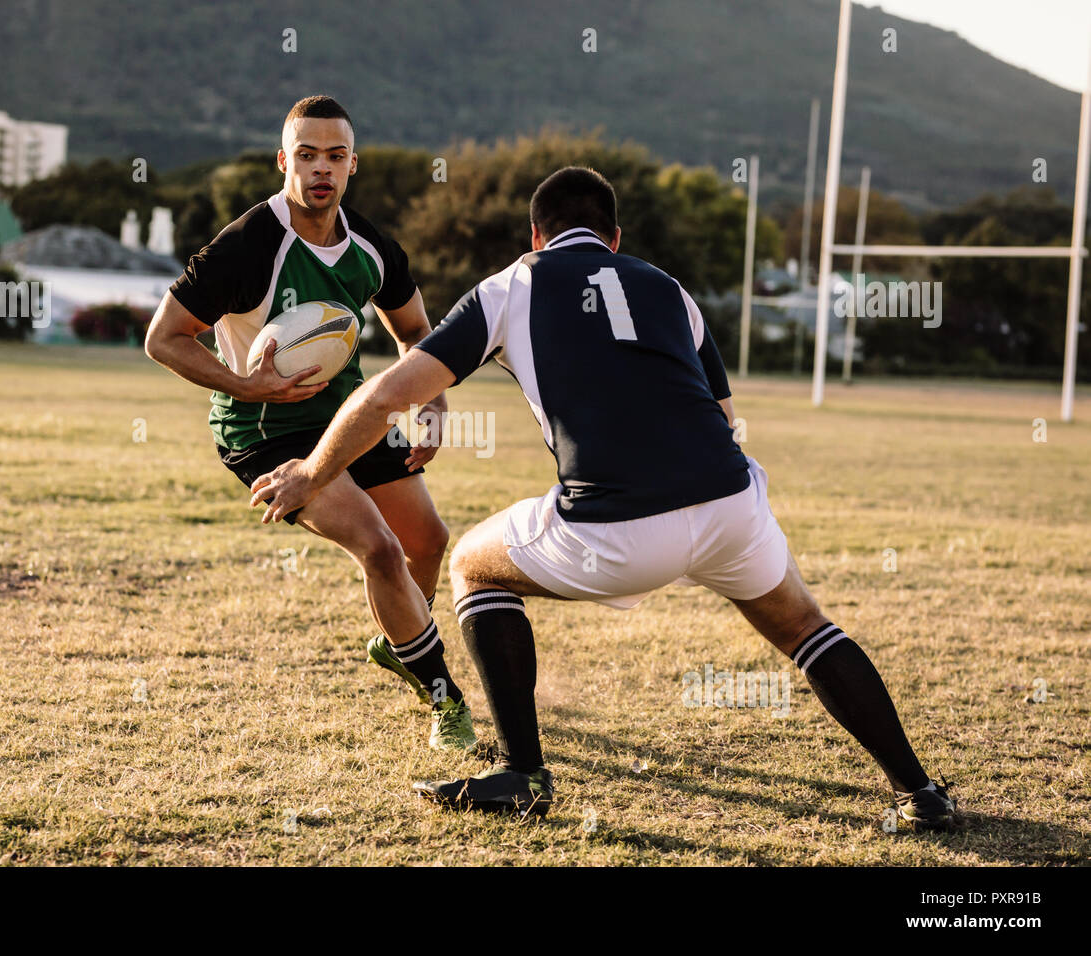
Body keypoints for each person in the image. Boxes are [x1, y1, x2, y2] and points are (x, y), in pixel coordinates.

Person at [247, 166, 962, 831]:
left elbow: (386, 392)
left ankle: (522, 774)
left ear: (536, 234)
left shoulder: (512, 285)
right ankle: (918, 791)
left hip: (616, 526)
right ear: (616, 239)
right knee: (805, 626)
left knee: (471, 564)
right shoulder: (669, 288)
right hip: (730, 504)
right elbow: (720, 413)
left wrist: (311, 471)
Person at [144, 95, 476, 752]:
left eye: (333, 156)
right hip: (266, 430)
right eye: (306, 155)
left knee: (429, 543)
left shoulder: (371, 245)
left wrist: (432, 400)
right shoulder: (246, 247)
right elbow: (164, 338)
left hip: (350, 419)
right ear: (283, 161)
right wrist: (244, 383)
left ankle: (400, 641)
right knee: (379, 549)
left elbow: (416, 332)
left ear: (353, 164)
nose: (320, 169)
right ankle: (445, 698)